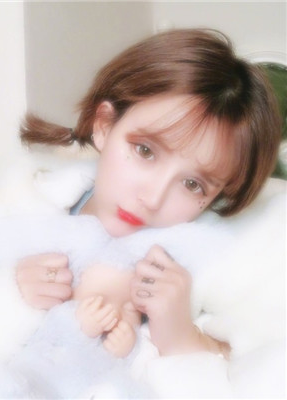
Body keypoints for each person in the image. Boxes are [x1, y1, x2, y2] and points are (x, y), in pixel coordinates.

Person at [15, 27, 281, 361]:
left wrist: (183, 338)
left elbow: (261, 363)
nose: (153, 199)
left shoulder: (208, 264)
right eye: (145, 151)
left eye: (193, 184)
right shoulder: (28, 201)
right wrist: (13, 295)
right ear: (104, 125)